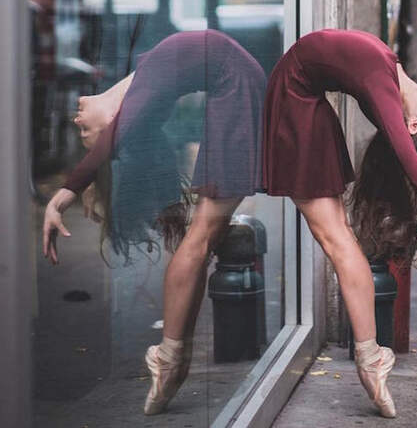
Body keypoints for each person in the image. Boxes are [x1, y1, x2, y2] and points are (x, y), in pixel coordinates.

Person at [261, 29, 417, 418]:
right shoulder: (388, 86)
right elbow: (404, 141)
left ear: (414, 124)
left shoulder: (385, 94)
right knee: (340, 241)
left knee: (338, 242)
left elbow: (404, 143)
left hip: (297, 104)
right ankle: (370, 358)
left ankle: (370, 358)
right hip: (298, 102)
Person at [42, 30, 266, 415]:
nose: (77, 117)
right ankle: (174, 355)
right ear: (117, 119)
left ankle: (171, 356)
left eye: (82, 130)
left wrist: (81, 187)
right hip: (237, 92)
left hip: (239, 90)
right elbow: (116, 140)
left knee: (200, 240)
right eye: (84, 130)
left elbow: (114, 141)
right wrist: (64, 197)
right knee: (200, 241)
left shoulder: (143, 77)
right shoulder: (144, 91)